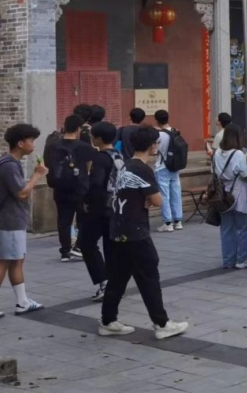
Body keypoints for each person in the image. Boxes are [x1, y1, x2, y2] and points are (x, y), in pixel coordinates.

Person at [100, 126, 188, 339]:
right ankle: (162, 323)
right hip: (135, 230)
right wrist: (148, 199)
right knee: (149, 273)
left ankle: (108, 320)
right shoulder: (142, 169)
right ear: (152, 146)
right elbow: (157, 200)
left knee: (118, 276)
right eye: (156, 142)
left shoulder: (124, 165)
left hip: (117, 227)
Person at [0, 124, 47, 318]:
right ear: (20, 143)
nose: (33, 145)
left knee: (15, 261)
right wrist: (37, 175)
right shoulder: (9, 165)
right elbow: (21, 192)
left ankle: (23, 301)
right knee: (5, 262)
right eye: (31, 141)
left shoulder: (8, 162)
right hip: (10, 220)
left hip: (11, 219)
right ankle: (22, 302)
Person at [77, 121, 121, 302]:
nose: (91, 138)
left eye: (93, 136)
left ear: (99, 138)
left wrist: (86, 201)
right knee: (111, 247)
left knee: (86, 244)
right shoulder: (118, 155)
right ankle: (114, 283)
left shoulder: (99, 158)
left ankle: (104, 282)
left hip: (99, 209)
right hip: (115, 208)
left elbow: (96, 184)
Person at [43, 114, 89, 262]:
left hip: (60, 187)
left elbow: (48, 163)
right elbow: (89, 165)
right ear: (78, 128)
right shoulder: (82, 146)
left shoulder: (54, 145)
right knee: (84, 218)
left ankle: (65, 251)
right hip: (79, 187)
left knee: (63, 220)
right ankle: (79, 247)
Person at [213, 124, 247, 269]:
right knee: (243, 227)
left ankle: (228, 260)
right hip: (238, 192)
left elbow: (214, 172)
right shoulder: (238, 154)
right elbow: (244, 174)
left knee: (226, 228)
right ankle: (242, 259)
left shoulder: (217, 153)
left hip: (222, 194)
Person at [152, 110, 183, 233]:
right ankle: (178, 221)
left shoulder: (159, 135)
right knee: (176, 194)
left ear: (156, 120)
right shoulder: (176, 132)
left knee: (164, 195)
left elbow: (154, 151)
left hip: (162, 166)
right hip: (175, 167)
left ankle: (168, 223)